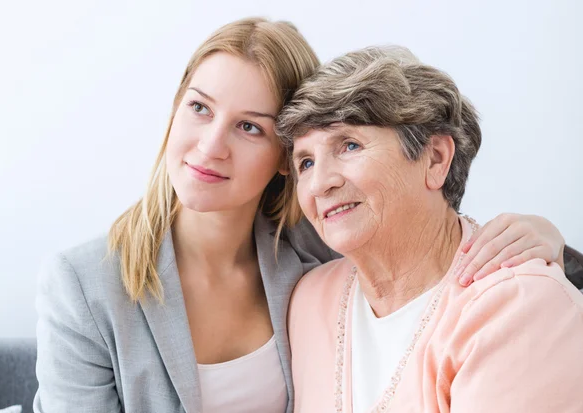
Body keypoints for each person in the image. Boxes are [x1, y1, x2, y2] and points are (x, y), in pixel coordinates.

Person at [33, 19, 581, 413]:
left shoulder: (311, 256)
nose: (210, 146)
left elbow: (436, 251)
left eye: (250, 126)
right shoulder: (85, 285)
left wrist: (558, 251)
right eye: (199, 107)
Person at [279, 45, 583, 412]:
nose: (318, 184)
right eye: (306, 162)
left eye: (349, 145)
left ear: (435, 158)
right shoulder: (309, 300)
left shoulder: (520, 305)